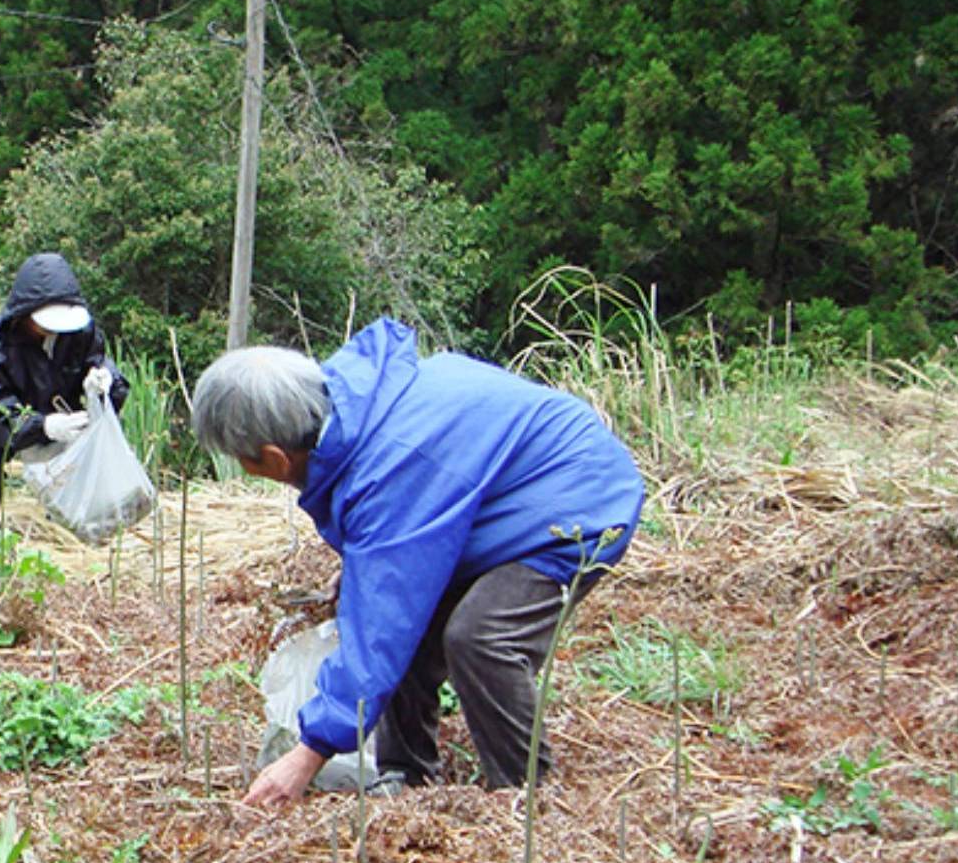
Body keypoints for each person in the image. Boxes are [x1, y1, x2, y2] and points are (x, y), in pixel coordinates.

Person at [189, 319, 644, 808]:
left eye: (245, 462)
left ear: (276, 458)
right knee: (410, 618)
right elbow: (396, 548)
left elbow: (380, 627)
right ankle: (406, 775)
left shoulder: (394, 466)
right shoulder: (354, 403)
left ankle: (527, 800)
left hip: (577, 501)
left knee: (480, 638)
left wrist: (308, 754)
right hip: (504, 495)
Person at [0, 252, 130, 523]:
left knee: (97, 448)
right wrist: (42, 426)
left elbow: (99, 362)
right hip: (13, 423)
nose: (55, 330)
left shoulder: (81, 332)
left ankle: (76, 522)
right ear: (25, 313)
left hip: (67, 417)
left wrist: (106, 380)